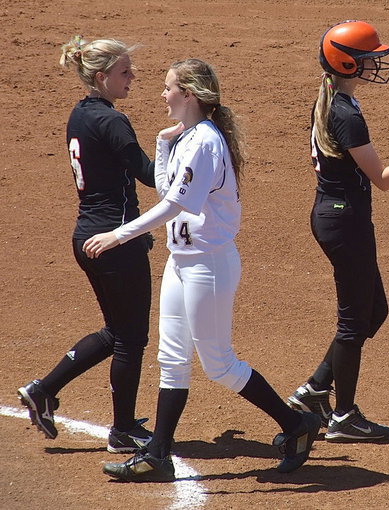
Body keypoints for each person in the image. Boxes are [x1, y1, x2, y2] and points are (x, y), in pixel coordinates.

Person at [84, 58, 320, 481]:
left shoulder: (205, 142)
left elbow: (177, 204)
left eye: (168, 87)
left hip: (208, 266)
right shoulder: (186, 138)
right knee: (171, 358)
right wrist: (160, 143)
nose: (162, 94)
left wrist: (119, 236)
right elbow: (165, 186)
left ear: (188, 94)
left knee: (219, 364)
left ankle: (296, 425)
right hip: (182, 261)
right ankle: (158, 455)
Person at [285, 20, 389, 442]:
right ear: (347, 62)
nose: (375, 64)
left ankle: (316, 388)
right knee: (354, 322)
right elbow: (384, 179)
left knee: (374, 312)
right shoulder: (345, 113)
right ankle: (343, 416)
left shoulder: (334, 101)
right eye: (369, 58)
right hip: (344, 222)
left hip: (338, 217)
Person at [17, 35, 154, 454]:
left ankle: (43, 390)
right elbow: (150, 175)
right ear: (101, 77)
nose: (133, 78)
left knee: (118, 332)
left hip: (88, 237)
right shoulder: (113, 121)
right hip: (115, 242)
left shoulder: (81, 114)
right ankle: (124, 429)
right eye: (124, 72)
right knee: (131, 338)